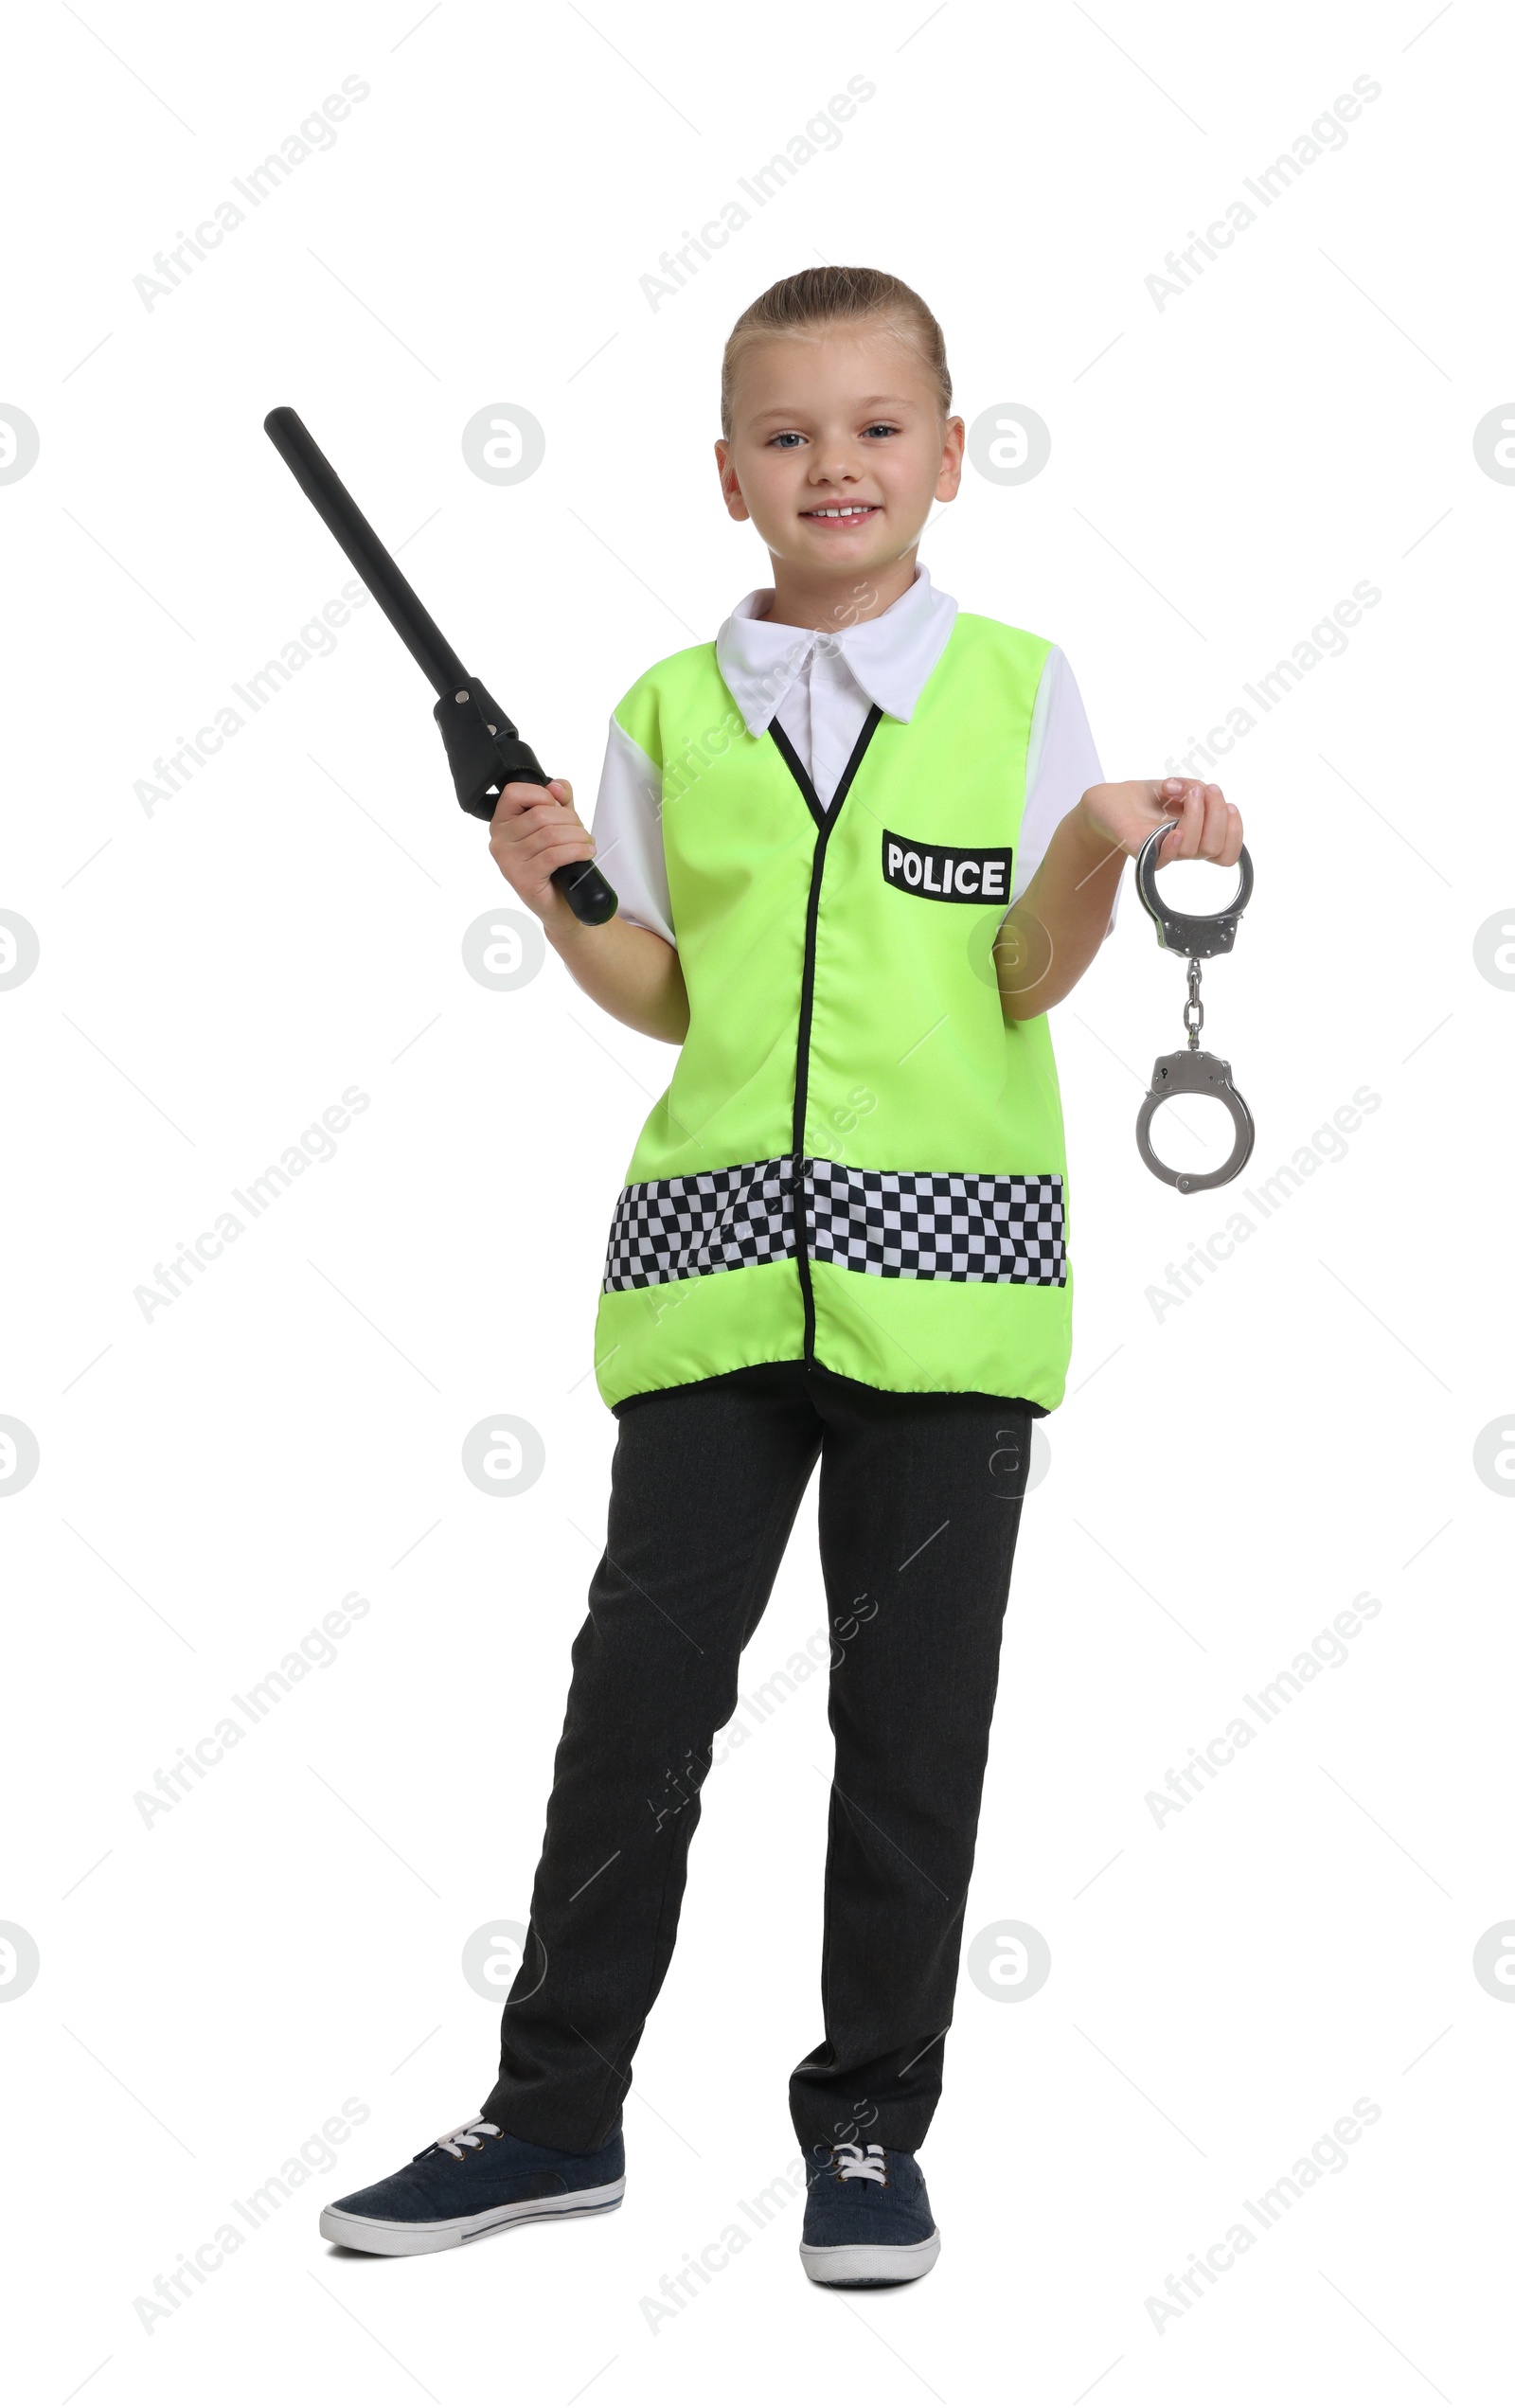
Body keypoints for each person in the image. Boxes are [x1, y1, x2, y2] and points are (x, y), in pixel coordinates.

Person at [320, 264, 1243, 2286]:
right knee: (633, 1707)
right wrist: (554, 889)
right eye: (786, 433)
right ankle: (552, 2115)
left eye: (875, 427)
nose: (835, 462)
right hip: (712, 1300)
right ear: (727, 476)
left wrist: (1091, 842)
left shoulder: (1013, 685)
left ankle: (863, 2132)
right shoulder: (667, 708)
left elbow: (1022, 972)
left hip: (954, 1311)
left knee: (916, 1727)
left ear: (949, 453)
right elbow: (667, 997)